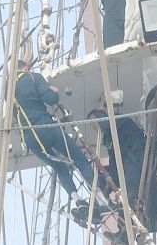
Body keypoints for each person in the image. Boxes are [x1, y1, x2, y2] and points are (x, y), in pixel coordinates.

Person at [14, 58, 97, 197]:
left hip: (30, 139)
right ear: (27, 67)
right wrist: (53, 90)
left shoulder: (9, 92)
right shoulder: (33, 77)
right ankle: (101, 199)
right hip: (46, 127)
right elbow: (51, 99)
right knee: (79, 159)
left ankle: (77, 201)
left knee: (58, 167)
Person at [87, 105, 157, 233]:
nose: (93, 127)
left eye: (92, 123)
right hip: (126, 164)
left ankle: (126, 231)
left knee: (129, 198)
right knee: (101, 176)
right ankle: (122, 229)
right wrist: (107, 176)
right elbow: (114, 160)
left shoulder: (118, 124)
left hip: (135, 160)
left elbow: (121, 149)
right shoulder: (109, 135)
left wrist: (101, 117)